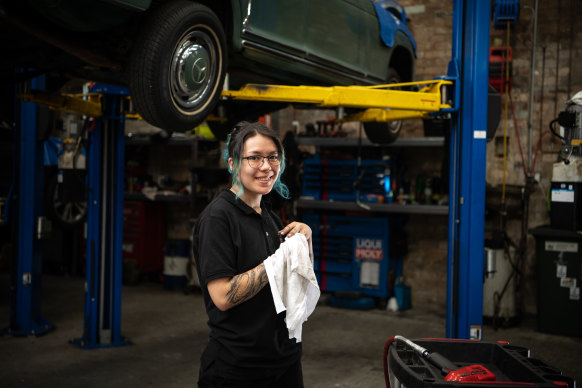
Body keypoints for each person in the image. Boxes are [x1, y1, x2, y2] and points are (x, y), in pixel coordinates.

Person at [193, 121, 313, 387]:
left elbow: (293, 286)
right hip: (238, 369)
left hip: (284, 362)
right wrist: (276, 262)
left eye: (272, 157)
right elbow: (223, 296)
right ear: (233, 163)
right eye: (254, 158)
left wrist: (305, 243)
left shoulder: (266, 215)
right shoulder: (218, 218)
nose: (266, 166)